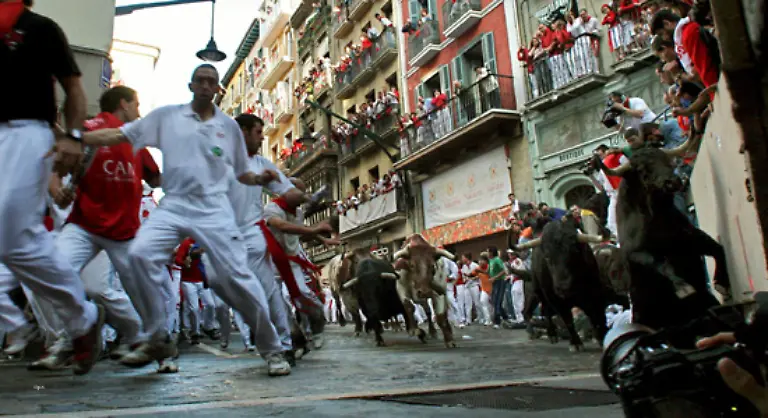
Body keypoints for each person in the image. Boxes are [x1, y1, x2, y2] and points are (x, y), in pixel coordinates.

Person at [80, 64, 299, 374]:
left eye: (212, 82)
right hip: (174, 204)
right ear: (191, 85)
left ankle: (273, 350)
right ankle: (157, 335)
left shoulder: (229, 128)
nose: (206, 86)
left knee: (238, 280)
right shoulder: (167, 117)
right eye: (201, 80)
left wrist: (259, 178)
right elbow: (118, 133)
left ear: (218, 89)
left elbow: (241, 173)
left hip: (213, 209)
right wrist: (79, 137)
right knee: (140, 254)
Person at [0, 0, 105, 375]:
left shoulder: (41, 28)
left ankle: (55, 322)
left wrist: (74, 137)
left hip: (28, 133)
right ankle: (73, 320)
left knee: (11, 231)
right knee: (16, 241)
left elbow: (74, 88)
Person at [29, 86, 159, 370]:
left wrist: (55, 190)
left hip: (121, 231)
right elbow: (160, 179)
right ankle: (77, 337)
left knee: (82, 283)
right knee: (64, 276)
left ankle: (147, 340)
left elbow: (155, 178)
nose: (138, 110)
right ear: (123, 104)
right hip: (86, 226)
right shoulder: (97, 130)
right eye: (136, 104)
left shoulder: (128, 138)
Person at [263, 178, 333, 352]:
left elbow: (299, 232)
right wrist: (315, 230)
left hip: (292, 261)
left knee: (303, 293)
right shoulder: (271, 209)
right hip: (271, 262)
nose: (303, 196)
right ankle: (293, 338)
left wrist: (321, 238)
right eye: (299, 192)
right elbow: (283, 226)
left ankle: (317, 325)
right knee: (278, 303)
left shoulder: (299, 213)